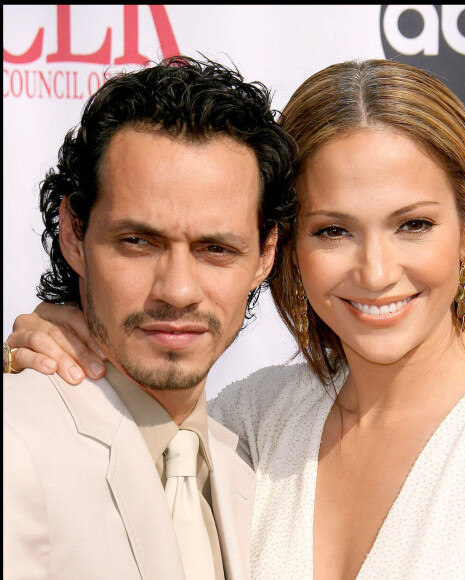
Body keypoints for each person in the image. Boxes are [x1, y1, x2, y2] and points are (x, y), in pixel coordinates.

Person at [6, 59, 465, 579]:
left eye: (413, 225)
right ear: (283, 246)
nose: (376, 272)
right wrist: (50, 340)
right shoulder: (255, 421)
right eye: (334, 230)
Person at [3, 55, 295, 580]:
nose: (178, 290)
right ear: (73, 233)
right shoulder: (15, 448)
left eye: (216, 249)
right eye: (137, 242)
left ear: (266, 253)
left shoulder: (258, 464)